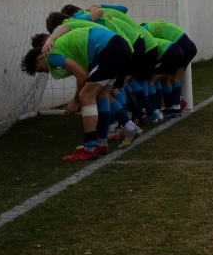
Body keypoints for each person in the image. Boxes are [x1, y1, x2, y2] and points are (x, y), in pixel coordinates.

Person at [21, 25, 131, 161]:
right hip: (119, 45)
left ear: (39, 59)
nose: (44, 72)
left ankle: (90, 148)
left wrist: (75, 101)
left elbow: (82, 75)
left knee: (85, 95)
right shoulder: (60, 43)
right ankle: (102, 144)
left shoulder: (51, 56)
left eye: (39, 69)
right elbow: (67, 27)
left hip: (109, 47)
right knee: (101, 95)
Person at [141, 19, 197, 116]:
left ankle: (155, 109)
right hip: (189, 45)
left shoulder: (142, 31)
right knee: (172, 76)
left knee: (153, 79)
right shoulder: (151, 25)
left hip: (177, 46)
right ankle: (174, 106)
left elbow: (151, 48)